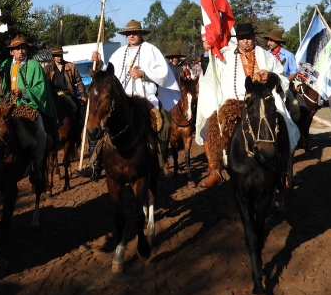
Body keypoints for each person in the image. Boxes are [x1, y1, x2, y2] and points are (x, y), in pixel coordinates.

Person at [196, 23, 300, 187]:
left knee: (284, 126)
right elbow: (210, 77)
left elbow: (281, 77)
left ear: (254, 38)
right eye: (242, 38)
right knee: (208, 129)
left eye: (248, 38)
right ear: (237, 39)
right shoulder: (224, 55)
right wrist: (208, 50)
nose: (245, 41)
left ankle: (283, 173)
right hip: (232, 102)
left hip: (261, 101)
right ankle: (215, 170)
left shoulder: (265, 56)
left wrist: (270, 76)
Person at [79, 20, 181, 182]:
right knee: (99, 121)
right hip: (122, 99)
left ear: (141, 34)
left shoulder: (152, 50)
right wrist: (98, 63)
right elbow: (107, 75)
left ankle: (160, 166)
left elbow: (163, 73)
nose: (131, 35)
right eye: (128, 33)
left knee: (165, 125)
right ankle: (94, 165)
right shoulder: (119, 52)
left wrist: (143, 74)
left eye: (134, 33)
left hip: (145, 98)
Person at [0, 35, 60, 184]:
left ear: (27, 50)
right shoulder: (5, 65)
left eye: (23, 48)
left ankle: (37, 164)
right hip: (6, 105)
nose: (20, 51)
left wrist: (23, 92)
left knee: (41, 132)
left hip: (28, 105)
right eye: (17, 49)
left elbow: (41, 89)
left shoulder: (34, 65)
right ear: (11, 52)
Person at [264, 29, 301, 122]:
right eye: (268, 41)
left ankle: (295, 124)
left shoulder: (289, 55)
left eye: (271, 41)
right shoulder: (266, 55)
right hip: (269, 86)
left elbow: (293, 71)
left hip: (285, 85)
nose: (268, 43)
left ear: (277, 41)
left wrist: (286, 82)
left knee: (295, 105)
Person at [43, 45, 87, 116]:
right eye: (57, 55)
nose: (59, 57)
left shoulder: (71, 66)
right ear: (53, 56)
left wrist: (83, 95)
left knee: (76, 109)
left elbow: (79, 82)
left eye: (60, 55)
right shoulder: (47, 68)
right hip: (54, 95)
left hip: (69, 94)